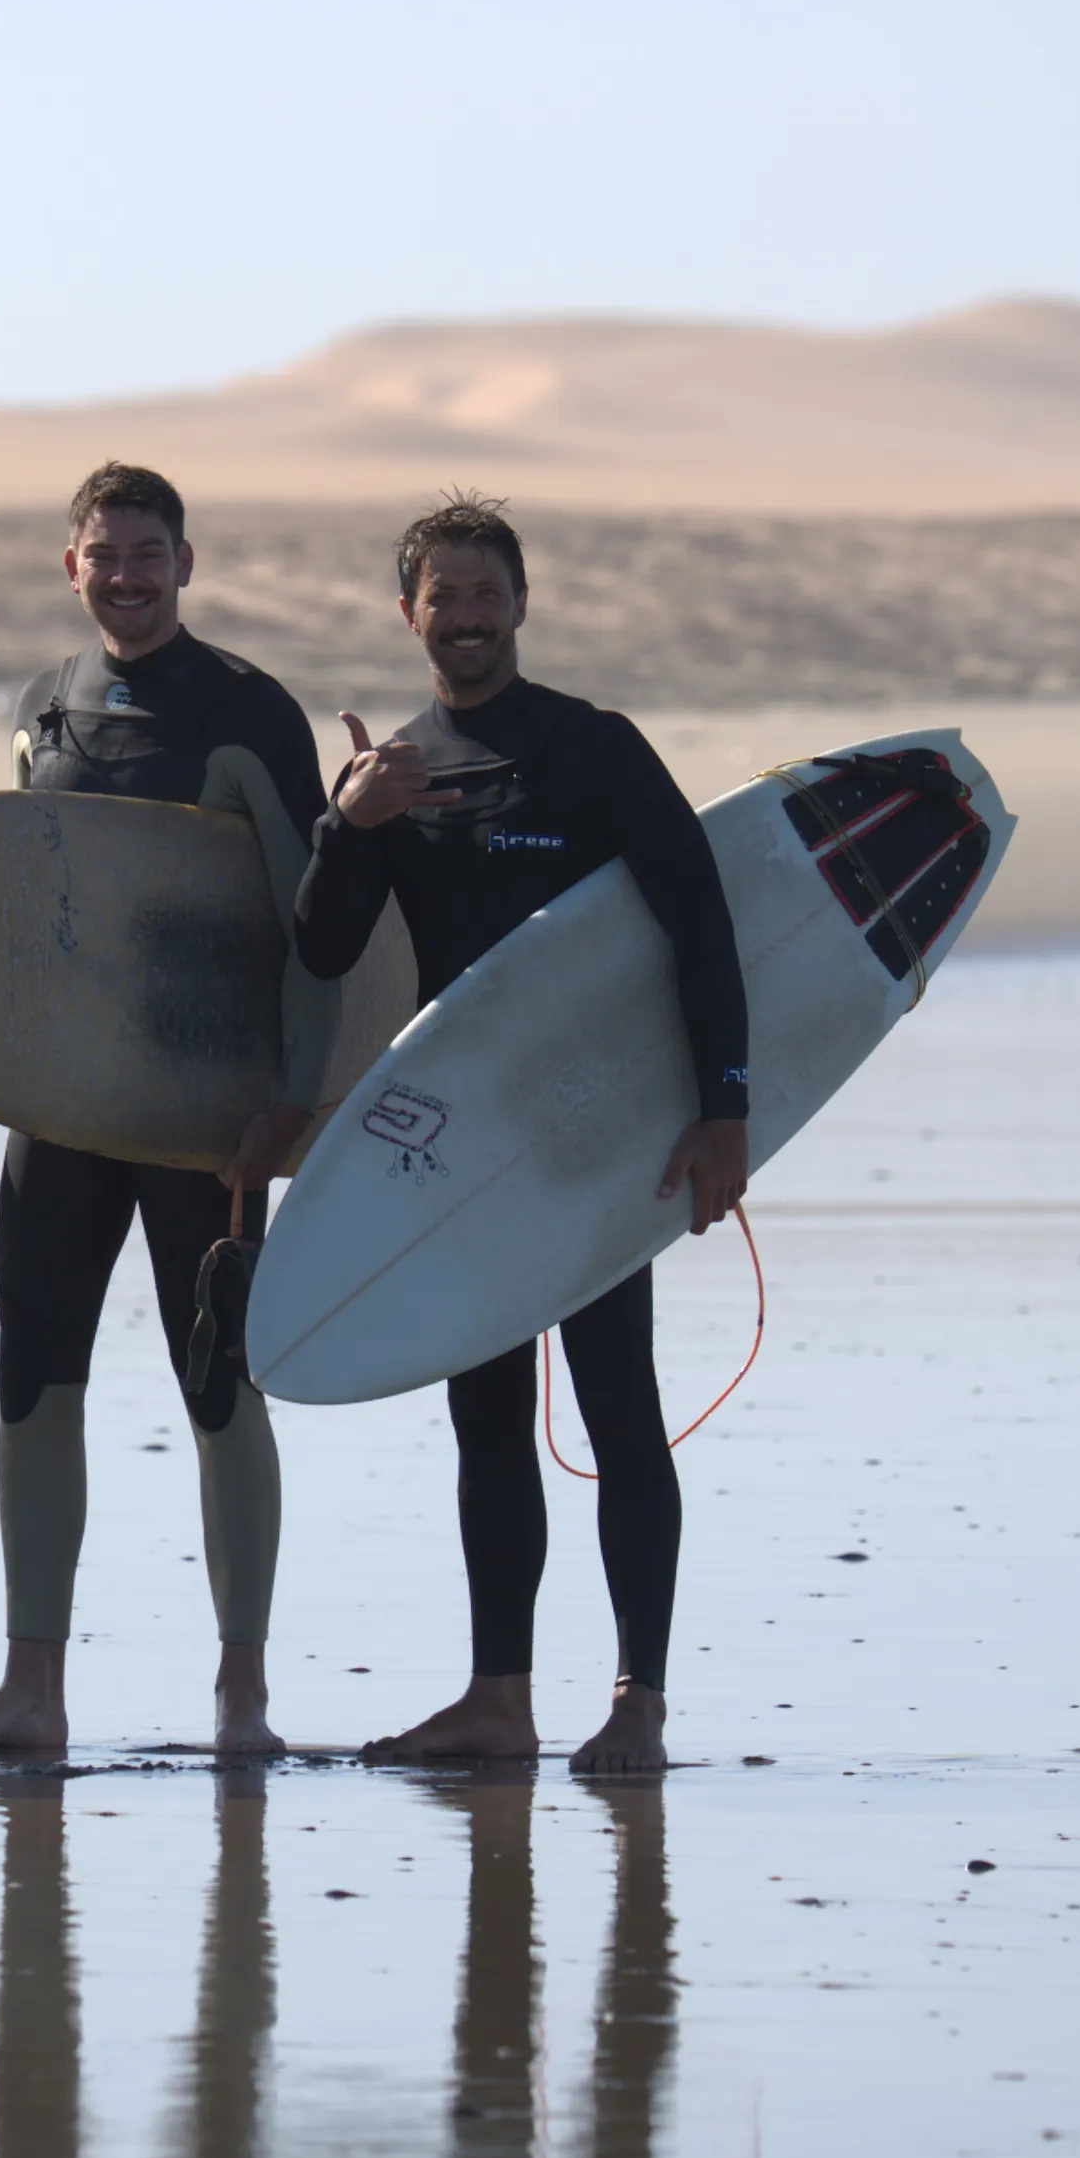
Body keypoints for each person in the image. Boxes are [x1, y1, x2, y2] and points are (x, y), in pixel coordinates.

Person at [293, 496, 749, 1777]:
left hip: (600, 1136)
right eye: (444, 596)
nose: (469, 616)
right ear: (409, 615)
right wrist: (351, 821)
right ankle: (500, 1697)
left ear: (522, 601)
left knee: (618, 1410)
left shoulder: (593, 750)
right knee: (486, 1421)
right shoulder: (397, 769)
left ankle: (639, 1704)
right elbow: (323, 949)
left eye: (488, 591)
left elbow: (702, 920)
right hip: (467, 1155)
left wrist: (725, 1110)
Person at [0, 461, 335, 1759]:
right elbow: (28, 909)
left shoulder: (249, 711)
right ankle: (32, 1690)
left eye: (151, 553)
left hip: (204, 1116)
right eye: (106, 553)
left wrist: (299, 1102)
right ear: (72, 563)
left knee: (220, 1383)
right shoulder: (46, 706)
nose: (129, 575)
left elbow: (318, 929)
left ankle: (241, 1700)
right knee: (33, 1379)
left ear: (186, 564)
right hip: (59, 1108)